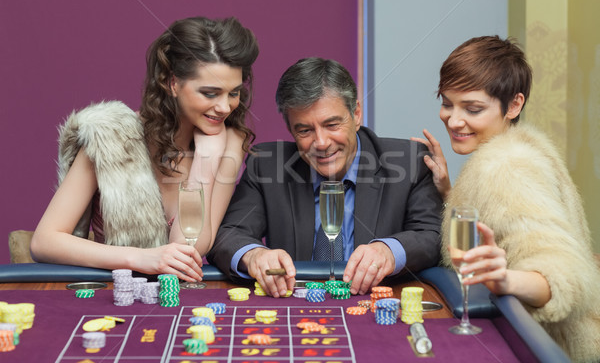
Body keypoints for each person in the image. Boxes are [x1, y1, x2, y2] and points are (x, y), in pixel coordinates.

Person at [413, 35, 600, 362]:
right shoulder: (519, 148)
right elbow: (506, 217)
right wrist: (450, 192)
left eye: (472, 108)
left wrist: (505, 279)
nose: (454, 120)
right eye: (447, 103)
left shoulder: (504, 165)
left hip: (550, 348)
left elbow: (566, 274)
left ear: (514, 104)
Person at [31, 16, 259, 282]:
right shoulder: (111, 135)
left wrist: (206, 162)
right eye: (210, 93)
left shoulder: (228, 141)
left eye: (233, 93)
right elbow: (44, 242)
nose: (224, 107)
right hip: (111, 294)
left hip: (174, 300)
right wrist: (139, 258)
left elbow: (191, 249)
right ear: (171, 83)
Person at [207, 57, 442, 297]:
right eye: (305, 130)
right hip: (297, 308)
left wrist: (389, 251)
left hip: (372, 302)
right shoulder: (267, 165)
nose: (321, 143)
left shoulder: (409, 162)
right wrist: (254, 255)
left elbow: (432, 235)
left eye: (332, 124)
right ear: (290, 130)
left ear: (357, 114)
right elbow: (227, 233)